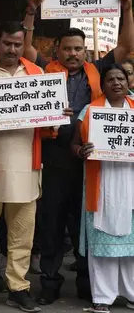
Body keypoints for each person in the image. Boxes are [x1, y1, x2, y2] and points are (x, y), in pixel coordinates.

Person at [22, 0, 134, 305]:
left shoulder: (98, 71)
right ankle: (50, 283)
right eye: (68, 48)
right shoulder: (45, 68)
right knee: (52, 225)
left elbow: (126, 46)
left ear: (86, 51)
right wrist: (31, 11)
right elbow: (26, 48)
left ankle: (88, 283)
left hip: (92, 165)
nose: (73, 53)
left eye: (79, 49)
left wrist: (127, 8)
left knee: (83, 225)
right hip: (54, 161)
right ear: (57, 50)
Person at [0, 21, 67, 312]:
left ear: (24, 45)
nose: (12, 49)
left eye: (18, 44)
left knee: (22, 233)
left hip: (26, 165)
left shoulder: (37, 74)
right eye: (7, 43)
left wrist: (57, 114)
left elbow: (50, 124)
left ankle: (18, 287)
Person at [72, 64, 134, 313]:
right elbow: (75, 144)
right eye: (111, 79)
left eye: (121, 77)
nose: (117, 82)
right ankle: (102, 296)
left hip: (130, 183)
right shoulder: (90, 111)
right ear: (103, 84)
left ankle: (131, 293)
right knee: (101, 245)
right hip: (102, 184)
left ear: (128, 80)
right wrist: (81, 151)